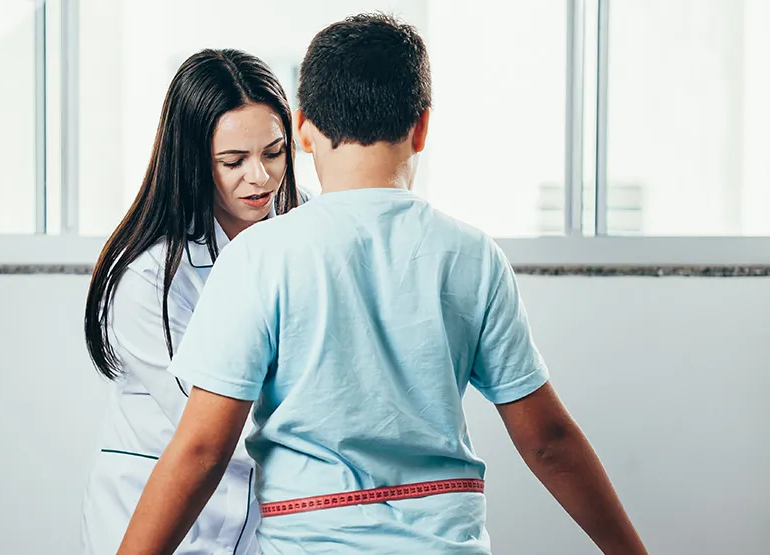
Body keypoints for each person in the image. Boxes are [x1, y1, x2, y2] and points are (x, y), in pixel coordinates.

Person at [117, 13, 649, 555]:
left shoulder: (258, 258)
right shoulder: (474, 256)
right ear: (421, 128)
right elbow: (549, 442)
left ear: (301, 129)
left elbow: (202, 449)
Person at [80, 48, 306, 555]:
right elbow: (209, 427)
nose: (261, 178)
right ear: (193, 161)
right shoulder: (146, 276)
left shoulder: (304, 226)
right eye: (233, 161)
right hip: (158, 514)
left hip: (258, 519)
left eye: (274, 153)